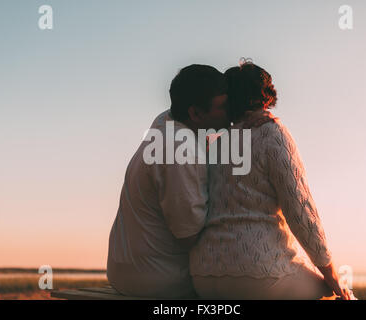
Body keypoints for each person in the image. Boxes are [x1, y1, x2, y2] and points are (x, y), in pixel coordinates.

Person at [189, 60, 352, 300]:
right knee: (330, 295)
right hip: (258, 276)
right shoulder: (273, 134)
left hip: (204, 275)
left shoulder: (216, 146)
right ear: (266, 96)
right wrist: (330, 273)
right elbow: (300, 211)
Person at [106, 64, 271, 298]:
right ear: (195, 113)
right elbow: (189, 236)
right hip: (157, 279)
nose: (231, 112)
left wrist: (251, 118)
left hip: (127, 270)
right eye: (224, 106)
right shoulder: (180, 153)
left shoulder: (167, 122)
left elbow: (210, 135)